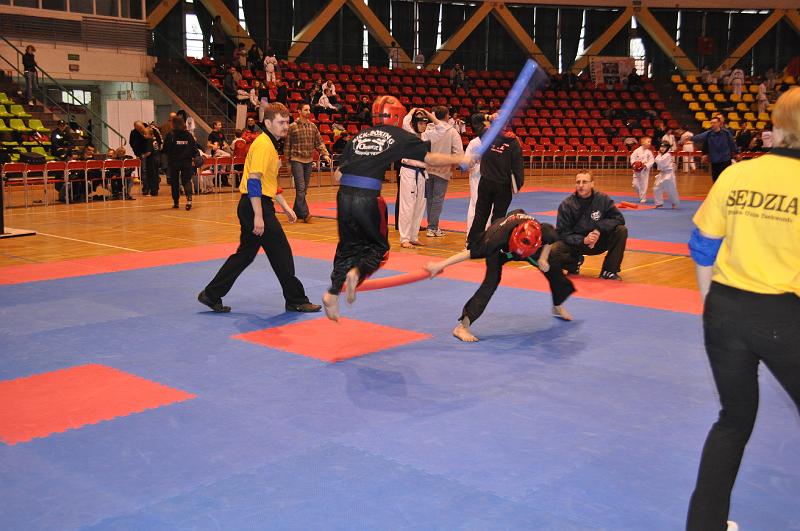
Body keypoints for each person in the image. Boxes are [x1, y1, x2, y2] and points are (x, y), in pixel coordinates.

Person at [685, 86, 800, 531]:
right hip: (783, 317)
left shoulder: (736, 175)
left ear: (776, 126)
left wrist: (710, 306)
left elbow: (702, 246)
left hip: (725, 310)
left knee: (733, 420)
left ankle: (704, 525)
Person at [321, 95, 472, 321]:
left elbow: (337, 175)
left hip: (344, 196)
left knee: (347, 247)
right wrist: (460, 158)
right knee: (379, 250)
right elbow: (431, 158)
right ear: (397, 116)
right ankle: (357, 274)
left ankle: (332, 293)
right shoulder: (399, 135)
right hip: (367, 197)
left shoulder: (358, 136)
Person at [199, 103, 321, 314]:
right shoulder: (264, 145)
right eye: (281, 122)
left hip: (254, 204)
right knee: (281, 252)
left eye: (287, 122)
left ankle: (211, 294)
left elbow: (268, 182)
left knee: (245, 254)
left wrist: (284, 206)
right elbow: (254, 181)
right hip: (255, 205)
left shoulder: (269, 144)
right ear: (268, 123)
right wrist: (258, 215)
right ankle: (296, 299)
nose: (286, 126)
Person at [425, 211, 576, 342]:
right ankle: (462, 327)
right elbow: (469, 253)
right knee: (491, 282)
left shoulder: (540, 231)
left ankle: (557, 305)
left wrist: (543, 258)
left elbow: (550, 239)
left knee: (552, 267)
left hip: (527, 246)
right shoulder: (494, 239)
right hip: (499, 252)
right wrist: (440, 265)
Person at [549, 171, 628, 280]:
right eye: (578, 182)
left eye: (584, 182)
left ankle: (609, 271)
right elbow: (562, 233)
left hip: (599, 241)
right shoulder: (567, 204)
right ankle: (573, 264)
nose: (581, 185)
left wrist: (598, 229)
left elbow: (618, 218)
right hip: (577, 245)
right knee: (553, 251)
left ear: (592, 184)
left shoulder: (603, 200)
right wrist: (583, 240)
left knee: (621, 230)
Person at [466, 126, 524, 246]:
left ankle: (472, 242)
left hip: (486, 182)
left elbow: (479, 126)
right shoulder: (514, 142)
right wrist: (517, 185)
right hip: (503, 185)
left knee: (480, 214)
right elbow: (518, 167)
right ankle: (492, 243)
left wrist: (490, 119)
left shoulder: (488, 137)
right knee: (498, 217)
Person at [285, 103, 331, 223]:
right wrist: (288, 163)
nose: (308, 112)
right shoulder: (292, 127)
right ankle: (305, 214)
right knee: (301, 188)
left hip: (309, 161)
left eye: (309, 110)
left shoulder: (313, 126)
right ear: (299, 111)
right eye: (305, 110)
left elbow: (319, 142)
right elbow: (287, 146)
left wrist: (325, 154)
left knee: (304, 189)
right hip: (296, 160)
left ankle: (296, 211)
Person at [424, 105, 465, 238]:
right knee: (437, 199)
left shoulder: (428, 129)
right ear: (447, 116)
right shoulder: (452, 131)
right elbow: (458, 153)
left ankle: (431, 226)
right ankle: (432, 227)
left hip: (427, 168)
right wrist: (453, 167)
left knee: (430, 198)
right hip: (443, 169)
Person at [397, 108, 433, 248]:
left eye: (425, 123)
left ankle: (413, 236)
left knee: (419, 205)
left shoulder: (426, 136)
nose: (424, 126)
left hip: (422, 173)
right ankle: (404, 238)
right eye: (421, 123)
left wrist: (427, 113)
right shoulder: (409, 134)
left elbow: (440, 127)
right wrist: (413, 110)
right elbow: (406, 121)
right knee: (407, 205)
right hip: (409, 172)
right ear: (414, 124)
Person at [162, 115, 201, 211]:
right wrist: (195, 157)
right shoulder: (188, 135)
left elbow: (165, 149)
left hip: (174, 162)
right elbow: (194, 149)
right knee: (186, 180)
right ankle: (189, 199)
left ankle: (176, 202)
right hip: (186, 162)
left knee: (175, 182)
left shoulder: (170, 135)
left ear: (173, 124)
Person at [693, 116, 739, 182]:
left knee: (725, 179)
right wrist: (704, 154)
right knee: (715, 180)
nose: (712, 124)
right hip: (714, 160)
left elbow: (732, 143)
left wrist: (736, 153)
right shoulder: (708, 133)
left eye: (714, 123)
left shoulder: (726, 133)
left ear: (719, 123)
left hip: (725, 160)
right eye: (711, 123)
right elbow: (700, 139)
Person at [652, 141, 680, 209]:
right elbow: (657, 161)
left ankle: (675, 203)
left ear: (667, 148)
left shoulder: (668, 155)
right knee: (656, 188)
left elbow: (660, 162)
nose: (662, 148)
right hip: (661, 174)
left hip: (668, 174)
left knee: (671, 190)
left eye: (664, 147)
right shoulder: (659, 155)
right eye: (661, 147)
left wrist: (656, 159)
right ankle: (659, 203)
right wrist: (657, 158)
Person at [630, 136, 655, 203]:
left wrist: (645, 165)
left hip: (645, 171)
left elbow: (652, 161)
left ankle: (643, 198)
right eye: (648, 142)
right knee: (635, 184)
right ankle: (641, 194)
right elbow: (632, 157)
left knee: (644, 184)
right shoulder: (637, 151)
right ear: (642, 142)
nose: (649, 143)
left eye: (650, 142)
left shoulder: (649, 152)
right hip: (636, 170)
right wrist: (634, 164)